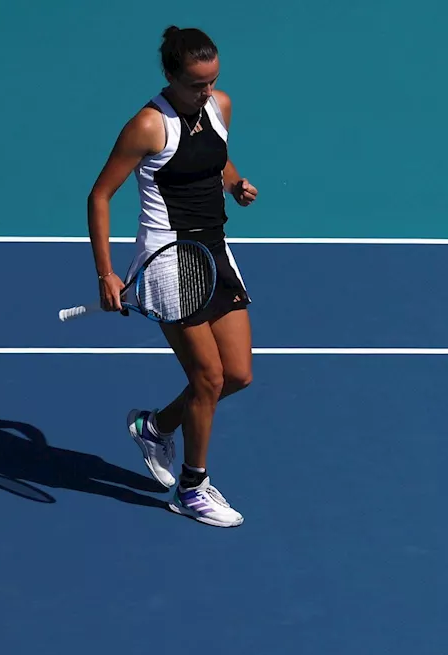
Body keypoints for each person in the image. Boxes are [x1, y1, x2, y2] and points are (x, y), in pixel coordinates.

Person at [85, 25, 257, 528]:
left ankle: (155, 426)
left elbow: (216, 158)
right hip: (169, 260)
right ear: (170, 76)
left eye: (212, 82)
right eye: (196, 85)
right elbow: (99, 196)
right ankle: (192, 489)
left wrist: (235, 184)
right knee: (208, 378)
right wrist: (106, 273)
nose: (207, 92)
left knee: (238, 375)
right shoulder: (147, 125)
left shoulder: (219, 105)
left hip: (215, 251)